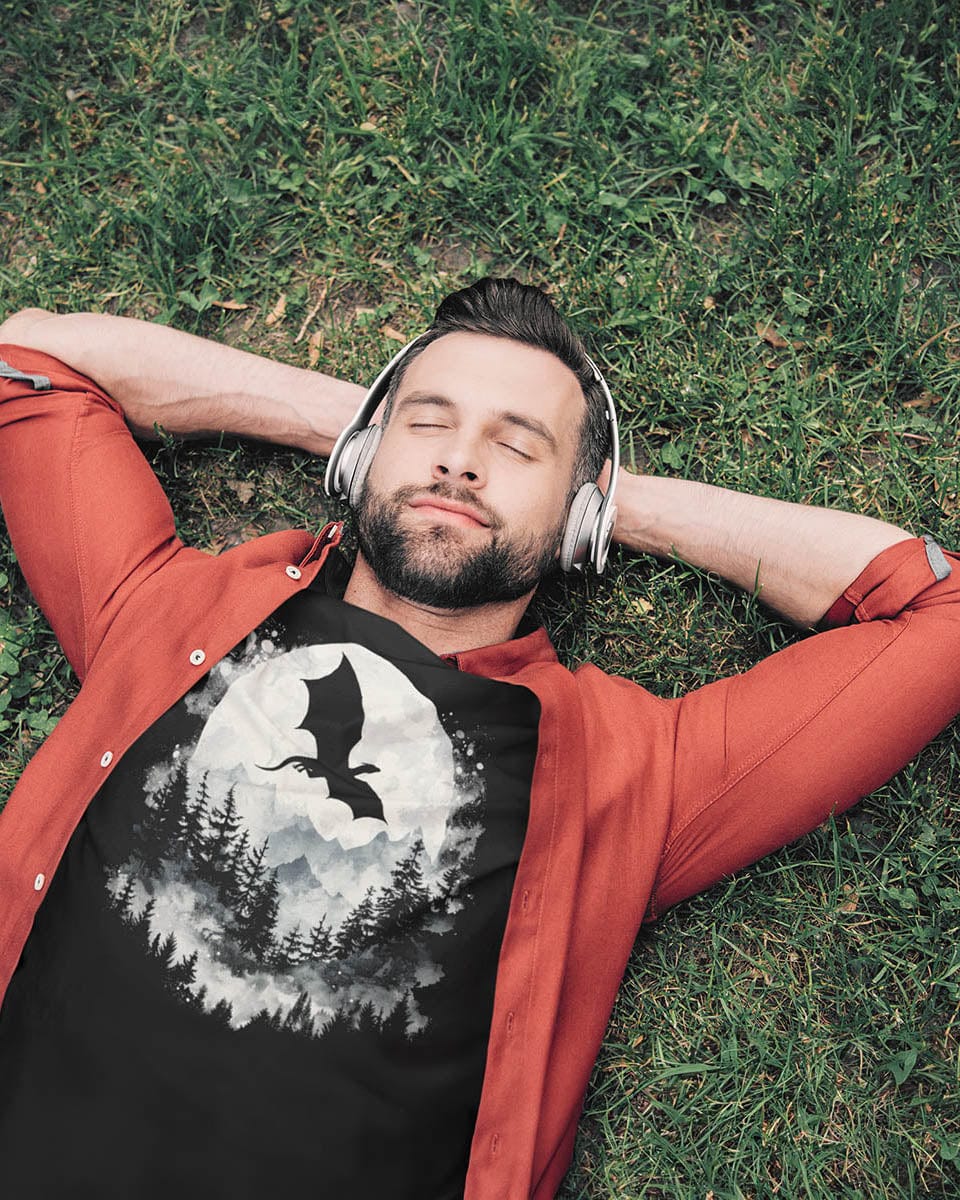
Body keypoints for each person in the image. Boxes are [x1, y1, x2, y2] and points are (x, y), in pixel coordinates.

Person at [0, 278, 957, 1200]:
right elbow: (30, 358)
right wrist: (358, 432)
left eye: (520, 446)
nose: (460, 461)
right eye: (430, 422)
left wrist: (614, 504)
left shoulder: (628, 774)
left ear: (582, 511)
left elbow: (938, 614)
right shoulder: (164, 613)